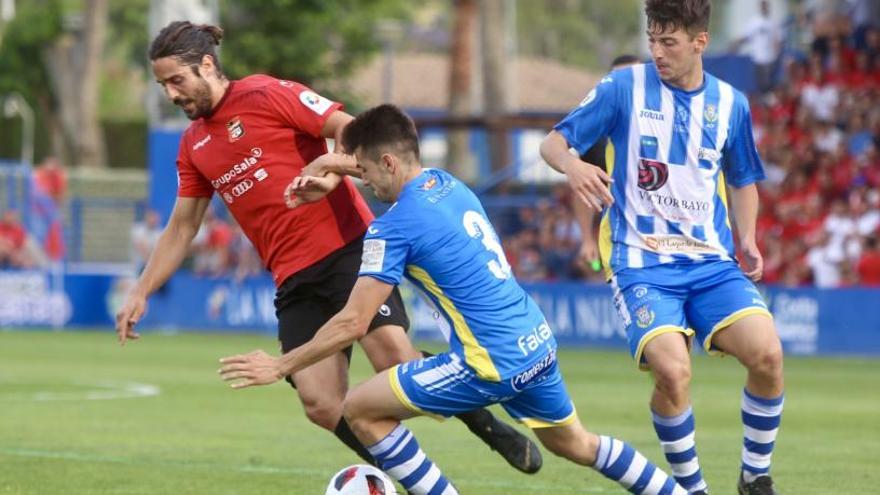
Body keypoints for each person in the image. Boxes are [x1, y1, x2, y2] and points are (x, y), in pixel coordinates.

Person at [115, 21, 539, 474]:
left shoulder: (264, 94)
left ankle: (486, 425)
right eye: (162, 86)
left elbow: (351, 131)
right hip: (292, 278)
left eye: (176, 81)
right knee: (320, 403)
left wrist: (332, 172)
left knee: (394, 361)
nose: (171, 95)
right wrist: (141, 290)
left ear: (206, 65)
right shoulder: (193, 145)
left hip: (348, 249)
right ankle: (403, 476)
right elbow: (183, 226)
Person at [219, 104, 689, 495]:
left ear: (387, 163)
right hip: (536, 342)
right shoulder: (448, 183)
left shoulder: (391, 227)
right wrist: (328, 167)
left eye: (364, 171)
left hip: (489, 361)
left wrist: (281, 367)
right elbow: (389, 180)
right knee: (578, 445)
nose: (364, 182)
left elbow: (352, 324)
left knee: (359, 408)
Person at [540, 1, 785, 494]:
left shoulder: (731, 103)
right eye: (652, 39)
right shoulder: (623, 87)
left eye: (668, 42)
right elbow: (552, 143)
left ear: (700, 42)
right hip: (641, 265)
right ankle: (692, 490)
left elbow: (742, 180)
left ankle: (754, 477)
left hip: (711, 264)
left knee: (769, 356)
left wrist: (749, 239)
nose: (657, 52)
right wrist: (573, 166)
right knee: (673, 372)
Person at [577, 54, 642, 274]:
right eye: (619, 78)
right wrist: (587, 239)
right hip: (620, 238)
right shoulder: (596, 135)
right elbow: (582, 187)